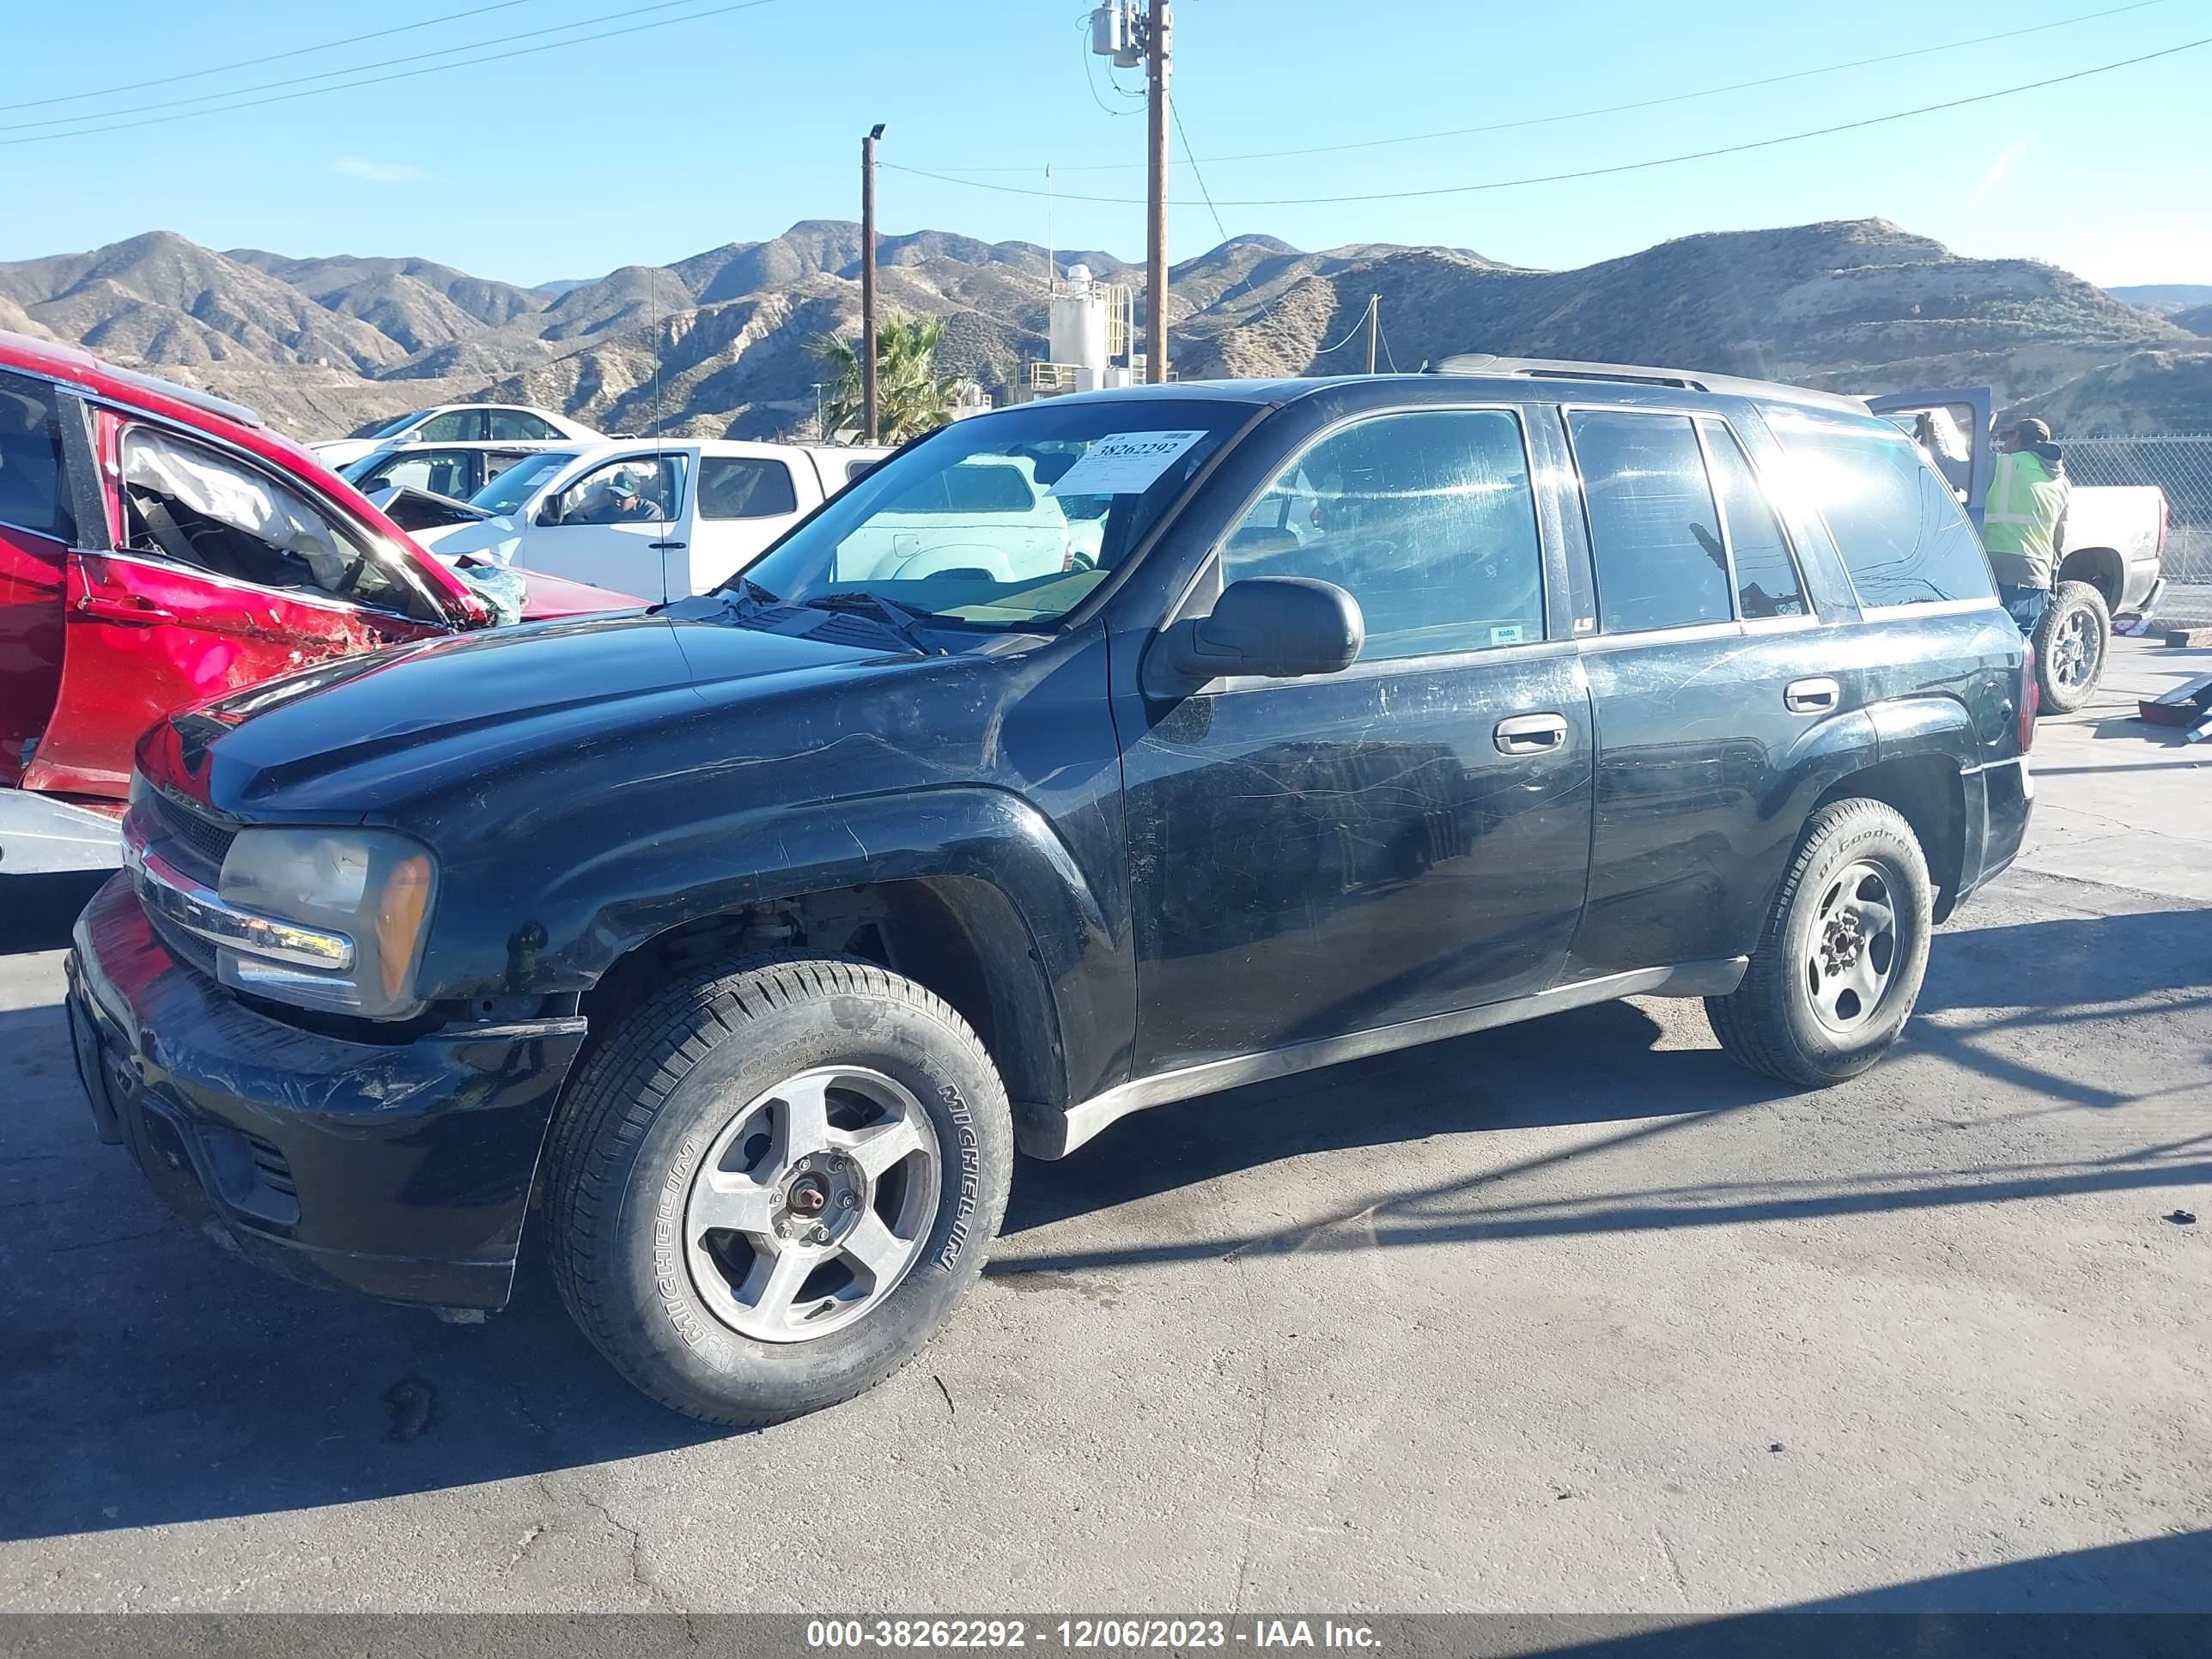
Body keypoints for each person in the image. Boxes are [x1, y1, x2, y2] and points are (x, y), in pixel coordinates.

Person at [1982, 418, 2070, 634]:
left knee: (1989, 641)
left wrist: (1935, 428)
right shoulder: (2062, 482)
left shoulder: (2000, 465)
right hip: (2036, 576)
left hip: (1995, 569)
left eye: (2007, 439)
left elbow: (1947, 466)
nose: (2004, 446)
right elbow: (2059, 538)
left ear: (2018, 438)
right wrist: (2051, 579)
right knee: (2021, 643)